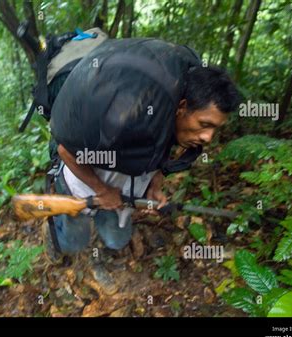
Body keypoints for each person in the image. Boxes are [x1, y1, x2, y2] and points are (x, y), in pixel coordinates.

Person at [47, 38, 241, 260]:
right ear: (182, 107)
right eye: (205, 125)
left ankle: (101, 251)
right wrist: (102, 191)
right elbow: (67, 151)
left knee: (116, 239)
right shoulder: (123, 119)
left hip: (123, 193)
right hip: (83, 182)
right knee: (73, 241)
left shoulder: (167, 113)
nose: (209, 137)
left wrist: (155, 184)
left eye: (215, 128)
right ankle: (57, 235)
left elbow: (161, 149)